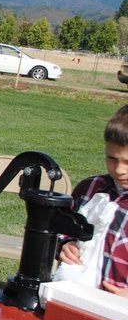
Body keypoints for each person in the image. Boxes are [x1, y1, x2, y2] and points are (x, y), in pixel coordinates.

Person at [59, 105, 128, 297]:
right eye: (112, 158)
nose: (120, 170)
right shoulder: (90, 189)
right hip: (76, 301)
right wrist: (65, 244)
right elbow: (61, 228)